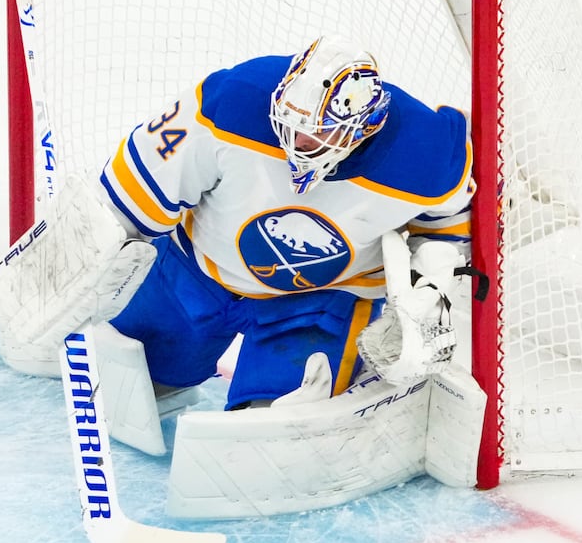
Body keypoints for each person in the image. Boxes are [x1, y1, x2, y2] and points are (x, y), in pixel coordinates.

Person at [88, 35, 474, 440]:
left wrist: (423, 302)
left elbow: (444, 232)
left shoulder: (427, 153)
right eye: (290, 123)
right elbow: (127, 198)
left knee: (270, 427)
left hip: (323, 299)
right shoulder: (233, 102)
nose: (297, 142)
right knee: (133, 376)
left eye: (315, 134)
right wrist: (84, 275)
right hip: (197, 271)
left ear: (365, 127)